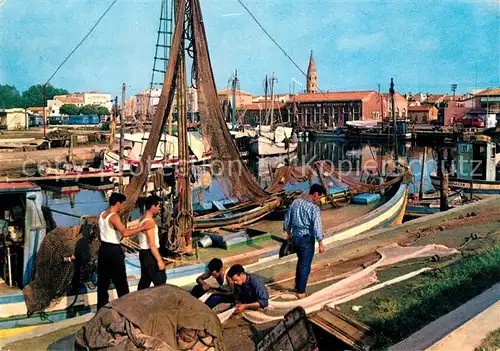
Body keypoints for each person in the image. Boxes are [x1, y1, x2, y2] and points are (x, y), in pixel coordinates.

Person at [97, 192, 146, 310]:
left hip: (103, 249)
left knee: (103, 282)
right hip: (113, 251)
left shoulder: (102, 215)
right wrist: (141, 228)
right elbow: (125, 232)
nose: (122, 207)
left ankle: (101, 308)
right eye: (122, 204)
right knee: (120, 281)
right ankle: (126, 307)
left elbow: (100, 234)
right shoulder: (114, 217)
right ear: (117, 203)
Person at [283, 183, 326, 299]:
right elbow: (317, 226)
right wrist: (320, 242)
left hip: (296, 238)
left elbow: (287, 217)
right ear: (316, 195)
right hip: (306, 239)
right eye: (321, 197)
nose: (320, 200)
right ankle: (301, 292)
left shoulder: (296, 202)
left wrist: (288, 233)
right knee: (305, 265)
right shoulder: (314, 208)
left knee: (300, 262)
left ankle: (298, 286)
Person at [137, 195, 167, 290]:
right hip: (150, 254)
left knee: (145, 281)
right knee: (160, 281)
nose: (159, 208)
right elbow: (152, 245)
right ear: (153, 206)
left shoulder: (142, 219)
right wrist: (159, 260)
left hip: (143, 254)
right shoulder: (150, 222)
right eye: (158, 206)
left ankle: (138, 301)